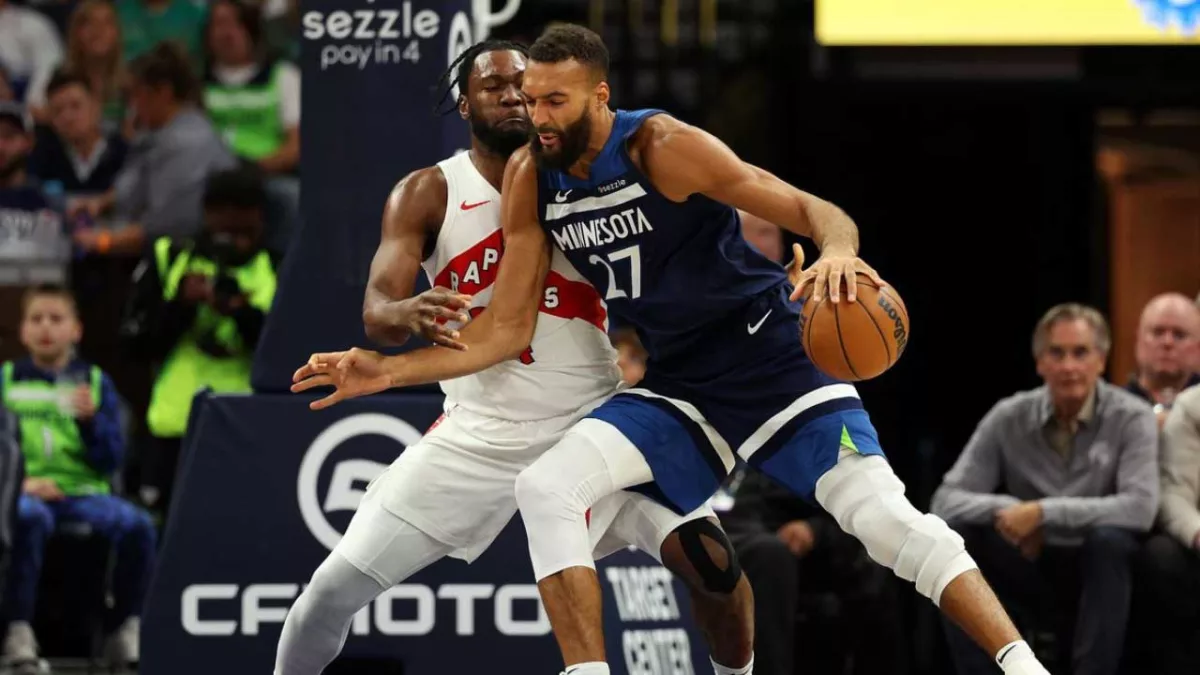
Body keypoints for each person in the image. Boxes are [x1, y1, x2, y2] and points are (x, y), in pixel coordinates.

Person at [292, 24, 1052, 675]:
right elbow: (502, 330)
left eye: (553, 100)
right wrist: (385, 367)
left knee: (880, 522)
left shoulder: (660, 144)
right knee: (545, 488)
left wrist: (839, 251)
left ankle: (1023, 664)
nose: (537, 115)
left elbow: (809, 207)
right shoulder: (526, 175)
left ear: (599, 95)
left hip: (768, 360)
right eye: (530, 100)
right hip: (674, 384)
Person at [276, 40, 755, 675]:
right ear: (462, 100)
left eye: (522, 86)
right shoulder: (428, 192)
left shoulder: (594, 174)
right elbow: (377, 308)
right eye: (493, 86)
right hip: (478, 435)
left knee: (716, 570)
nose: (510, 97)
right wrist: (401, 315)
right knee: (328, 597)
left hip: (592, 424)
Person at [931, 303, 1156, 675]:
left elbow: (1141, 507)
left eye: (1080, 353)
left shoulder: (1132, 416)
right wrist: (1009, 510)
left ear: (1101, 360)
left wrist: (1042, 513)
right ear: (1040, 363)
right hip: (1029, 560)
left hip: (1096, 563)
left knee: (1111, 542)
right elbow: (946, 499)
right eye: (1057, 353)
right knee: (954, 536)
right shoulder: (1009, 415)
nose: (1069, 366)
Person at [0, 284, 155, 670]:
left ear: (76, 330)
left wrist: (90, 425)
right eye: (36, 319)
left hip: (84, 494)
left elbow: (111, 460)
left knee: (138, 525)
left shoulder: (95, 382)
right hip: (25, 492)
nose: (46, 328)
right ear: (22, 331)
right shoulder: (6, 381)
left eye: (56, 319)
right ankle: (17, 631)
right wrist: (20, 484)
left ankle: (123, 631)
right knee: (27, 518)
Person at [119, 166, 276, 513]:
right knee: (166, 520)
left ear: (261, 221)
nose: (232, 242)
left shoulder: (279, 265)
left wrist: (239, 311)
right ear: (206, 216)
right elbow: (135, 345)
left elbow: (288, 355)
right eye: (224, 230)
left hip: (247, 420)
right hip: (173, 422)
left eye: (242, 233)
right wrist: (181, 307)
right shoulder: (170, 257)